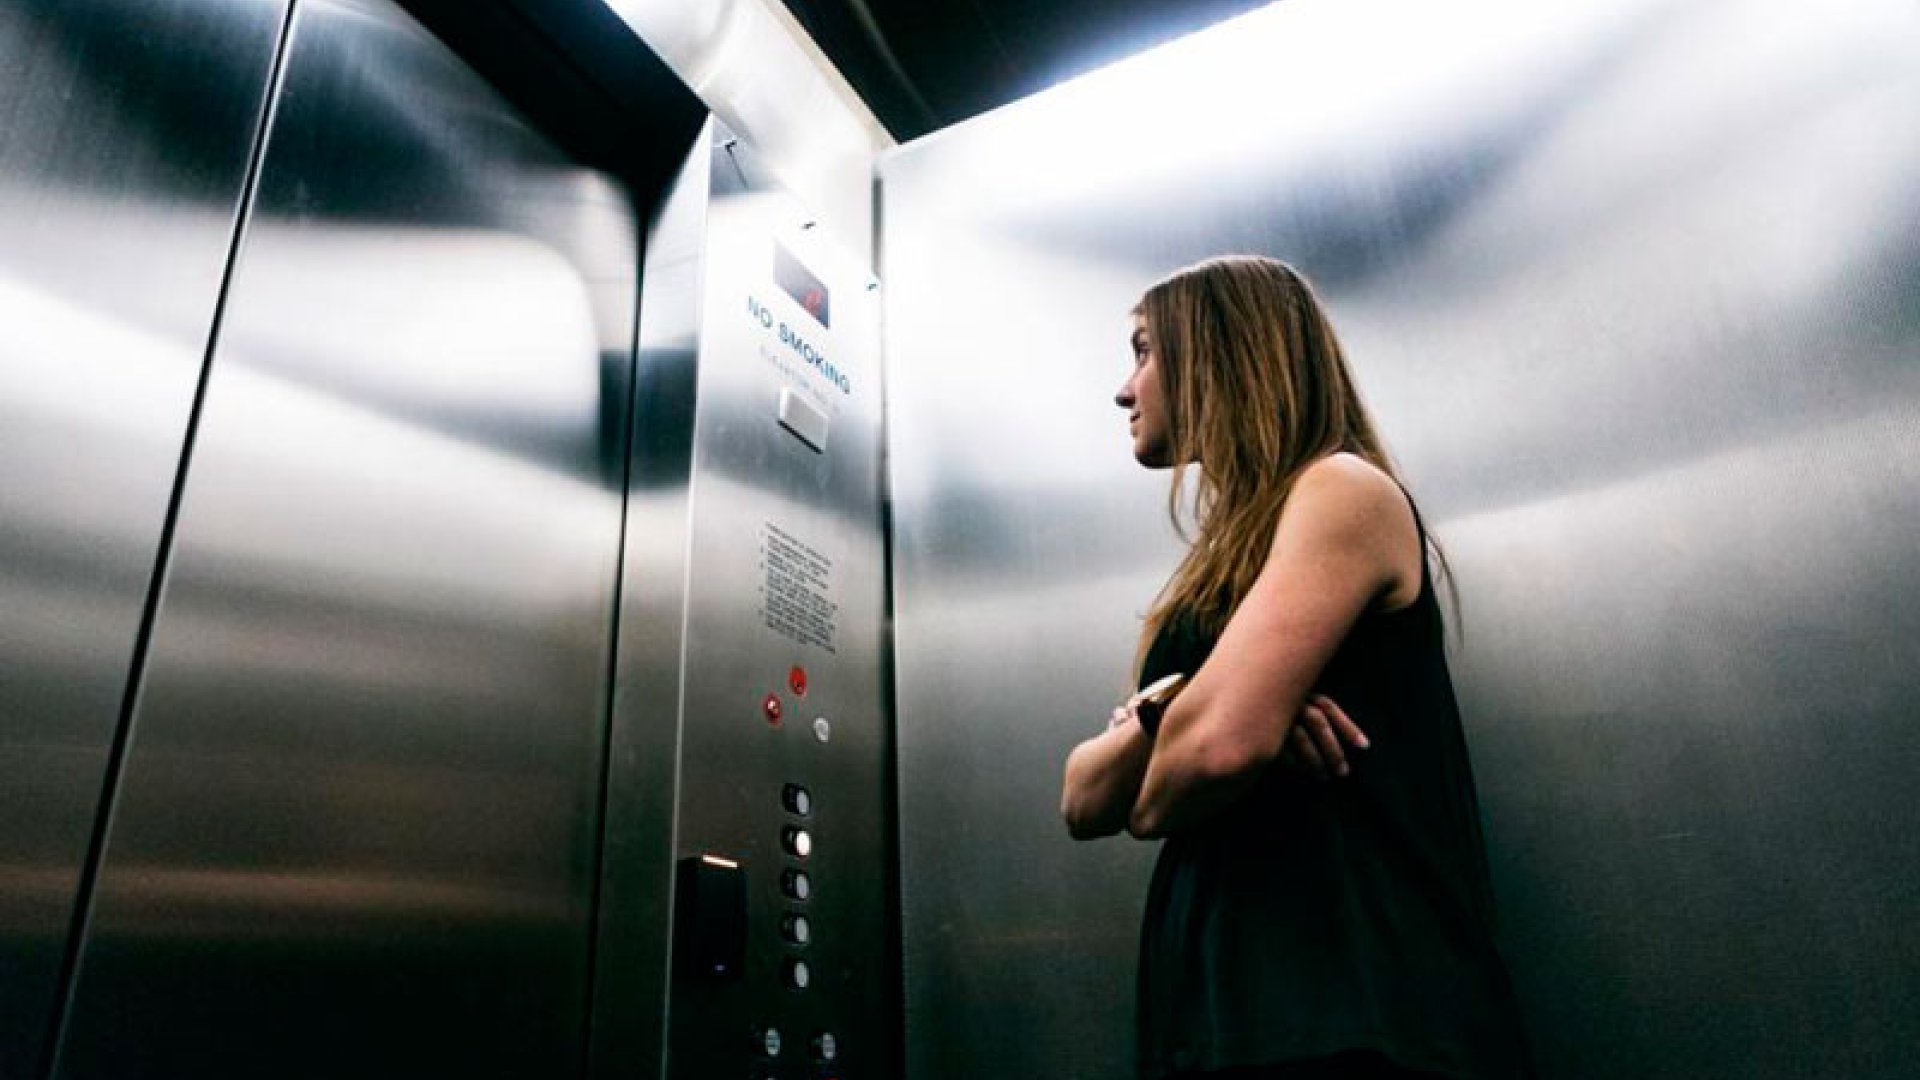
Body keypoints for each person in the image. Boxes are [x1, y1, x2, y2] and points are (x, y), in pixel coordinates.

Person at [1059, 257, 1531, 1079]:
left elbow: (1190, 771)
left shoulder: (1342, 489)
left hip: (1354, 1010)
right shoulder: (1215, 572)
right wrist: (1183, 711)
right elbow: (1083, 795)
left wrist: (1198, 728)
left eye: (1144, 350)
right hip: (1235, 1015)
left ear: (1219, 353)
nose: (1124, 388)